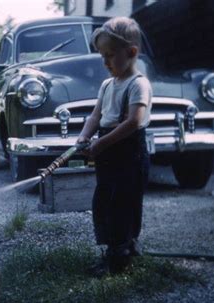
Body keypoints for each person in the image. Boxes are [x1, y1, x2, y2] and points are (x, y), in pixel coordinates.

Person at [77, 17, 152, 274]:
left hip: (129, 154)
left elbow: (133, 122)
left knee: (124, 202)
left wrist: (100, 144)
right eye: (102, 55)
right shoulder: (107, 85)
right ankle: (116, 248)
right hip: (108, 153)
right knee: (105, 200)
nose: (105, 62)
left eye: (109, 55)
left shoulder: (138, 84)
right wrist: (85, 137)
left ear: (131, 53)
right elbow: (96, 116)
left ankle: (120, 256)